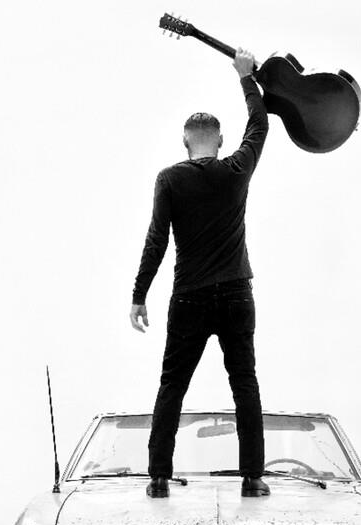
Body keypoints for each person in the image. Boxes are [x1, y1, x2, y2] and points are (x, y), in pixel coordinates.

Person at [130, 48, 270, 499]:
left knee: (172, 385)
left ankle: (158, 478)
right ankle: (253, 478)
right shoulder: (236, 169)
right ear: (221, 140)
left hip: (189, 296)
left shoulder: (170, 179)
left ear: (185, 142)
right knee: (244, 382)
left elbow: (157, 239)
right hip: (236, 295)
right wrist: (246, 77)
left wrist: (139, 295)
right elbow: (260, 125)